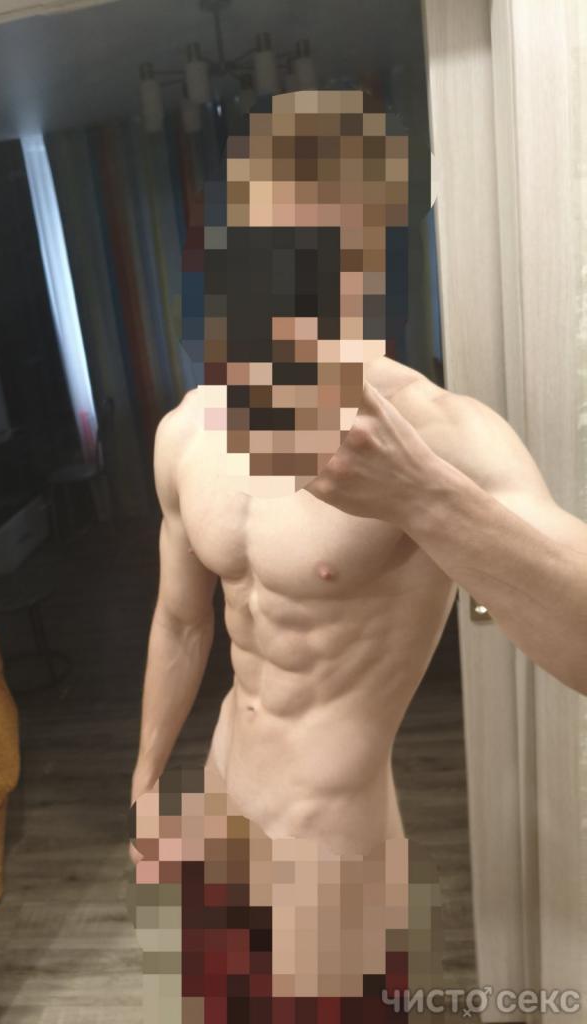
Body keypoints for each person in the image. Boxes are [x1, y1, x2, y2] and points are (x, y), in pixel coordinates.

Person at [129, 89, 587, 1014]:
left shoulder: (436, 433)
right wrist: (144, 780)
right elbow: (181, 624)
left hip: (333, 868)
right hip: (219, 821)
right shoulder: (188, 430)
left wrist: (424, 497)